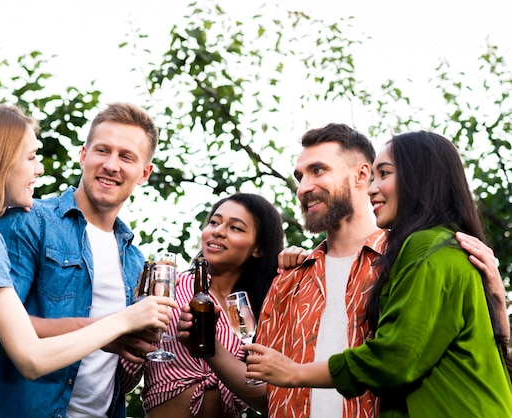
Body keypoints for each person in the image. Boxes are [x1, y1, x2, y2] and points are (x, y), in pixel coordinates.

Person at [176, 123, 506, 418]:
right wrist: (211, 348)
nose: (303, 187)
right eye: (299, 177)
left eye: (318, 170)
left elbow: (422, 361)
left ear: (363, 175)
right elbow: (270, 393)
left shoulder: (410, 259)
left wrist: (497, 304)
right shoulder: (289, 278)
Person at [0, 104, 175, 418]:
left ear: (145, 172)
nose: (39, 169)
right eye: (31, 157)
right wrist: (121, 323)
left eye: (126, 156)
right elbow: (29, 355)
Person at [0, 102, 165, 418]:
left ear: (144, 173)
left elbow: (118, 373)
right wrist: (112, 328)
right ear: (84, 155)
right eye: (102, 151)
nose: (111, 165)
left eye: (126, 157)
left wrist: (145, 350)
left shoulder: (136, 262)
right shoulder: (31, 222)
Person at [123, 193, 284, 417]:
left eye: (235, 228)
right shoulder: (172, 290)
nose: (217, 231)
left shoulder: (259, 313)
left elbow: (271, 398)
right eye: (214, 222)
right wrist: (136, 321)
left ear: (259, 248)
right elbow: (123, 382)